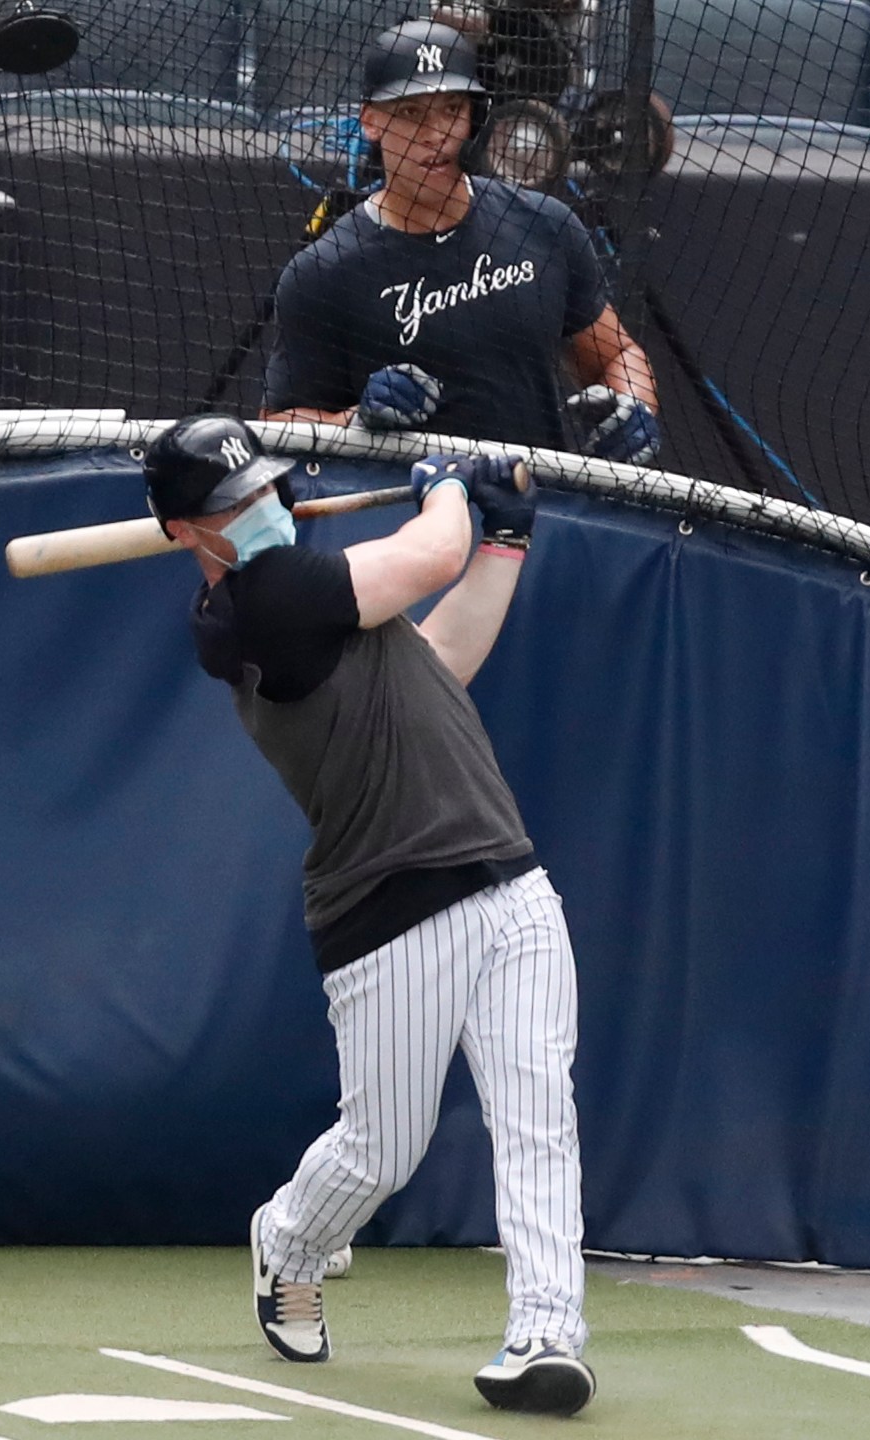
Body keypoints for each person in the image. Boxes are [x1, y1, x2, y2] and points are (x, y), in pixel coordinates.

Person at [143, 413, 594, 1418]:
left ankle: (546, 1334)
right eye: (227, 507)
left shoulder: (318, 596)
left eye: (260, 490)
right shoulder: (261, 606)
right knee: (383, 1148)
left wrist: (505, 539)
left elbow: (442, 655)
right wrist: (446, 485)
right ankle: (293, 1237)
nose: (256, 510)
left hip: (506, 878)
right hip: (385, 905)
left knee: (536, 1114)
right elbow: (432, 550)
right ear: (187, 533)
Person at [261, 20, 661, 466]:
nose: (435, 134)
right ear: (370, 121)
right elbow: (277, 423)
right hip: (402, 525)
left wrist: (635, 406)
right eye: (411, 113)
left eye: (451, 109)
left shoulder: (544, 225)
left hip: (535, 514)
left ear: (474, 115)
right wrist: (354, 424)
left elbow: (618, 354)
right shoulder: (324, 271)